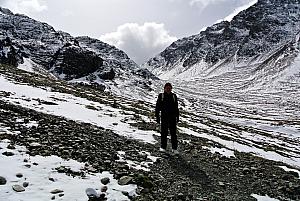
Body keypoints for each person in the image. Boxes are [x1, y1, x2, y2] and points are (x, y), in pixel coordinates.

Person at [155, 83, 179, 154]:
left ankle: (174, 148)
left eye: (169, 88)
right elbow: (157, 107)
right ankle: (163, 147)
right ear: (164, 88)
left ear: (171, 89)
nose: (168, 89)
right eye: (167, 88)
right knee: (164, 133)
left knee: (173, 134)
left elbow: (176, 108)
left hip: (172, 118)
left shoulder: (174, 96)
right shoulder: (161, 96)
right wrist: (157, 117)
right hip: (164, 117)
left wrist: (177, 117)